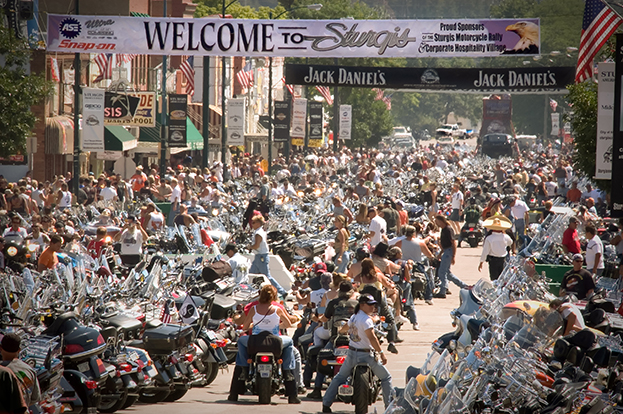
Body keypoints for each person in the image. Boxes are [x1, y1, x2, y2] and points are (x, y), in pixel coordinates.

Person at [228, 284, 300, 404]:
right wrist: (277, 326)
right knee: (290, 342)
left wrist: (253, 326)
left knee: (241, 341)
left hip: (255, 342)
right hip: (275, 342)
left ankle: (243, 368)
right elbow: (287, 324)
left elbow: (245, 327)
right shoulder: (278, 309)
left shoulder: (253, 309)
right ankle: (288, 373)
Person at [321, 294, 392, 413]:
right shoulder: (366, 320)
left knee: (339, 377)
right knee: (386, 377)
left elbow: (344, 328)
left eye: (374, 304)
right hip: (366, 355)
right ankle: (390, 407)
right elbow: (372, 338)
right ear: (362, 305)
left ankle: (326, 404)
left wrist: (342, 332)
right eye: (370, 305)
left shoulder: (355, 316)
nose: (373, 307)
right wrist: (382, 353)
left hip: (352, 354)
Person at [248, 215, 287, 298]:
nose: (252, 224)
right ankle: (249, 291)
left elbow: (256, 245)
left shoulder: (258, 233)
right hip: (259, 256)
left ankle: (282, 291)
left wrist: (249, 247)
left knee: (267, 276)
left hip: (260, 256)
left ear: (258, 223)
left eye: (254, 223)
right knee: (252, 274)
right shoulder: (261, 231)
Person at [1, 333, 40, 407]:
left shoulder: (1, 371)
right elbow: (35, 398)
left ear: (0, 348)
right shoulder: (29, 370)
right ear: (19, 350)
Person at [434, 215, 468, 298]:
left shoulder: (448, 229)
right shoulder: (443, 229)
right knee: (448, 274)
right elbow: (444, 244)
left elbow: (453, 243)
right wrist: (440, 253)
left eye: (436, 221)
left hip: (449, 251)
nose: (435, 223)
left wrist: (453, 256)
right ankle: (463, 286)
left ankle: (443, 291)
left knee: (442, 272)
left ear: (440, 220)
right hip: (446, 251)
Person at [478, 216, 513, 281]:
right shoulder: (506, 237)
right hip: (503, 260)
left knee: (494, 279)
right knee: (502, 279)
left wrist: (481, 262)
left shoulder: (489, 238)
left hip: (493, 261)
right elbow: (510, 242)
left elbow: (485, 251)